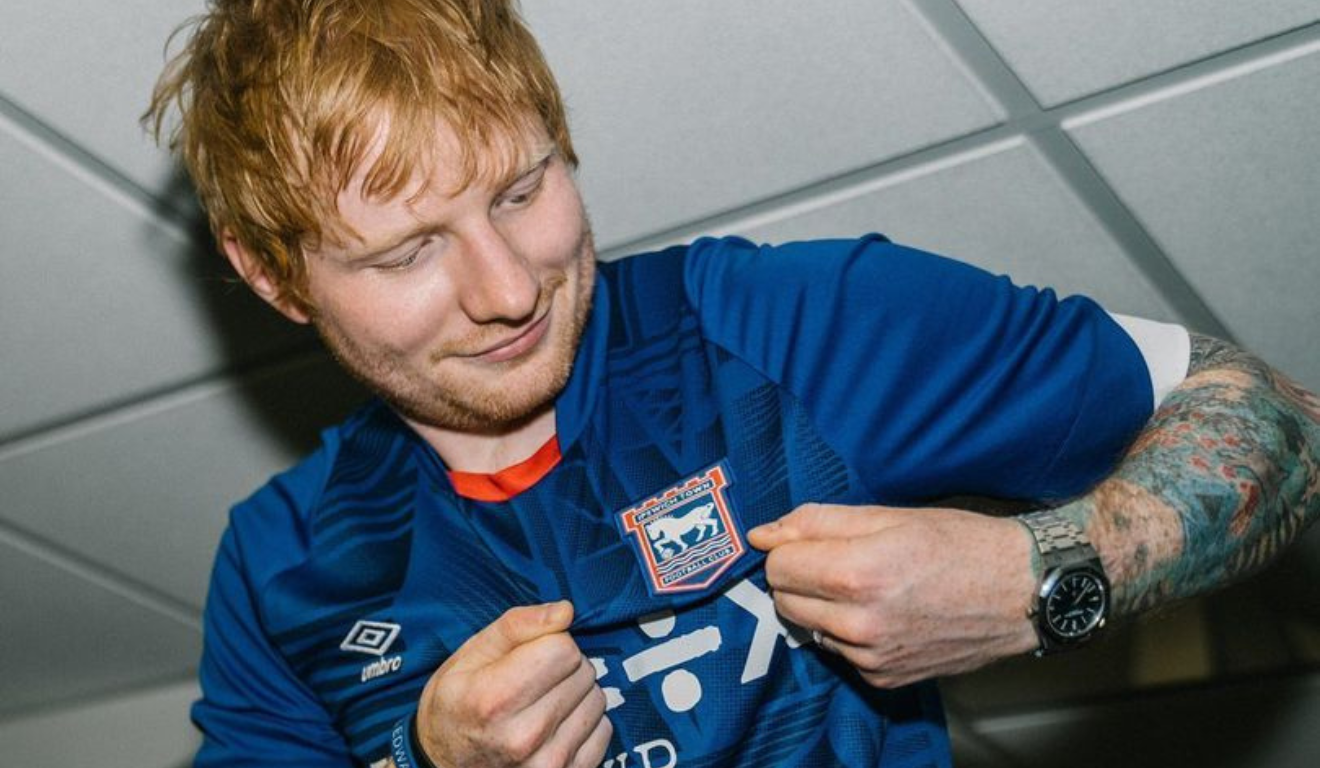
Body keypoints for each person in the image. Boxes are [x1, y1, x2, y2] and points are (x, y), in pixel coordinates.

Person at [145, 1, 1320, 767]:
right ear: (274, 277)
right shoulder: (281, 565)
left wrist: (1038, 577)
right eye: (407, 252)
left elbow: (1275, 415)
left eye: (520, 191)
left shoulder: (783, 330)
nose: (508, 288)